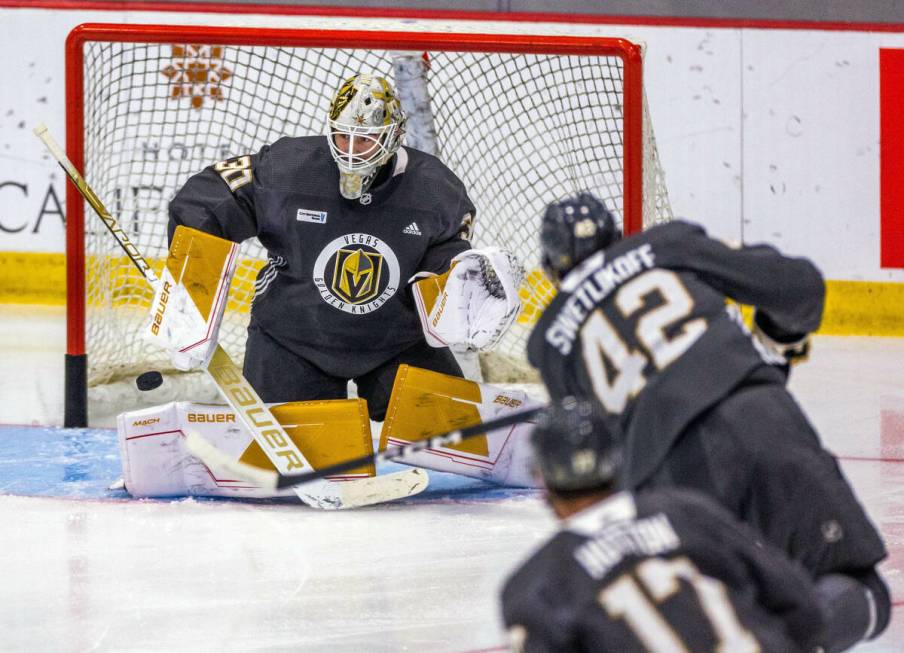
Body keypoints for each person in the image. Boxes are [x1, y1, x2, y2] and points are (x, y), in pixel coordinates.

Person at [527, 193, 890, 650]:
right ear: (616, 235)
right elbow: (800, 288)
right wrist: (781, 336)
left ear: (551, 267)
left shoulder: (547, 344)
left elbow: (597, 453)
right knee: (857, 589)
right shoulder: (668, 244)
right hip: (757, 418)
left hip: (669, 481)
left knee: (710, 624)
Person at [160, 73, 521, 421]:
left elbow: (443, 256)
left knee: (457, 434)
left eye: (364, 139)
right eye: (342, 136)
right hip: (293, 338)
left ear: (393, 136)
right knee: (288, 456)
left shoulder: (435, 188)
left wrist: (460, 277)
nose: (350, 150)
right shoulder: (287, 169)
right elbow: (206, 200)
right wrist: (190, 291)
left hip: (396, 342)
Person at [501, 398, 825, 652]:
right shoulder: (689, 511)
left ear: (542, 481)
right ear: (617, 460)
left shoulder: (534, 585)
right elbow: (803, 609)